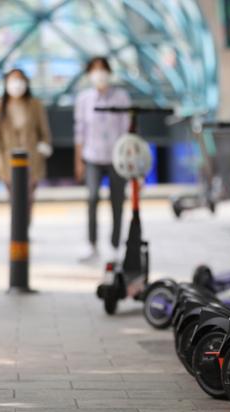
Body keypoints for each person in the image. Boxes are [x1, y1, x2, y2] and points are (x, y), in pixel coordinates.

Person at [74, 57, 131, 262]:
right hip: (92, 156)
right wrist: (78, 159)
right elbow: (80, 130)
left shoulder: (121, 97)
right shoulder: (84, 99)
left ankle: (115, 245)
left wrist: (128, 157)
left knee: (117, 201)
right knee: (91, 199)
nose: (99, 74)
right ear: (89, 74)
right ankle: (91, 244)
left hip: (116, 157)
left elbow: (127, 128)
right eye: (95, 70)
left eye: (102, 69)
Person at [0, 69, 52, 218]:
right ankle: (18, 228)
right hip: (7, 159)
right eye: (13, 80)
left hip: (31, 158)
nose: (17, 84)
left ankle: (24, 228)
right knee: (14, 197)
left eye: (20, 79)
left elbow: (44, 130)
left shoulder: (35, 105)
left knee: (28, 197)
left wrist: (43, 148)